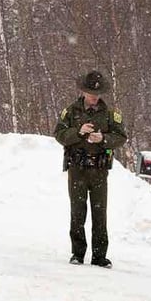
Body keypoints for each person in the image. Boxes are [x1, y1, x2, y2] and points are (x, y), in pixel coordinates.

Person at [54, 70, 127, 268]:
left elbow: (121, 137)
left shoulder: (111, 114)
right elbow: (59, 134)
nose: (94, 96)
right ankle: (77, 253)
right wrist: (78, 132)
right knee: (78, 211)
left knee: (99, 212)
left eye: (97, 93)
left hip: (99, 169)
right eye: (90, 92)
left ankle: (99, 255)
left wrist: (104, 139)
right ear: (83, 91)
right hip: (77, 168)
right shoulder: (71, 111)